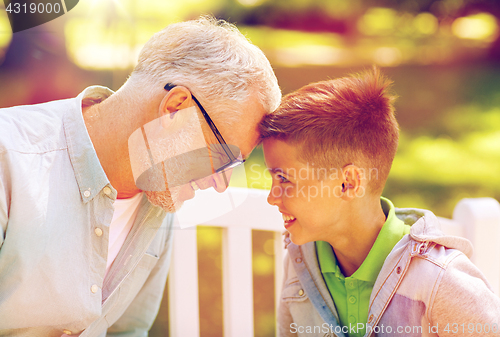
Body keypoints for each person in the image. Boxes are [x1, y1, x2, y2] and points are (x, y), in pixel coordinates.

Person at [0, 16, 281, 336]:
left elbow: (128, 330)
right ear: (175, 109)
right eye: (223, 159)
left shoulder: (159, 195)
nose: (219, 185)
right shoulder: (9, 160)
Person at [259, 68, 500, 337]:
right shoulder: (300, 259)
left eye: (284, 179)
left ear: (348, 183)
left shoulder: (443, 282)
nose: (272, 196)